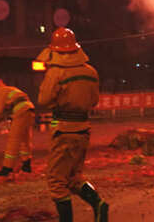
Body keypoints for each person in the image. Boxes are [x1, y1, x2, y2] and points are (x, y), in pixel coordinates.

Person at [37, 27, 109, 222]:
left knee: (56, 181)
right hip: (84, 129)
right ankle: (99, 204)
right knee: (73, 176)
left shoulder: (56, 72)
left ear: (56, 50)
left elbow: (43, 99)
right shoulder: (90, 71)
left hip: (64, 129)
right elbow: (94, 101)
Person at [0, 78, 35, 177]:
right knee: (25, 139)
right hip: (29, 110)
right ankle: (26, 164)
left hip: (21, 112)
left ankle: (7, 168)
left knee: (13, 140)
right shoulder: (9, 88)